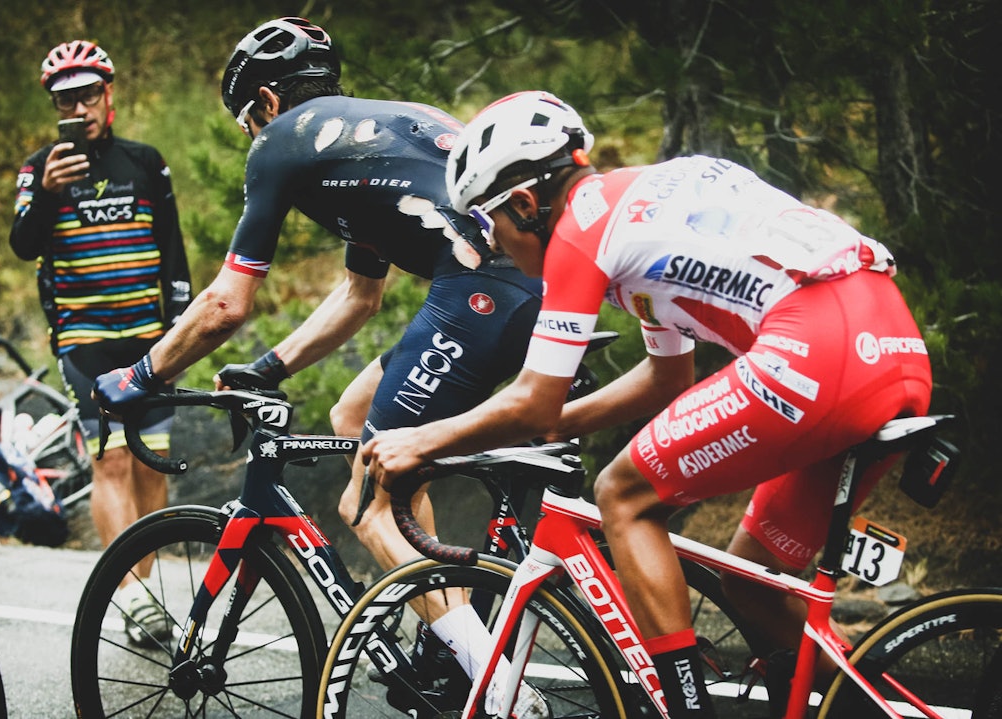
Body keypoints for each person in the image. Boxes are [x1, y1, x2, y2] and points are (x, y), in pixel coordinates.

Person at [362, 91, 933, 717]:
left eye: (488, 223)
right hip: (893, 351)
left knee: (623, 495)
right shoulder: (636, 206)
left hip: (818, 353)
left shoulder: (581, 229)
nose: (491, 245)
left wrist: (422, 440)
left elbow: (533, 399)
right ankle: (871, 709)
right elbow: (664, 379)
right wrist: (524, 435)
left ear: (524, 204)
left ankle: (684, 708)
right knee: (751, 581)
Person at [92, 18, 548, 715]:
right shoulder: (371, 137)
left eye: (248, 121)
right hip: (524, 288)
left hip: (479, 295)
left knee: (365, 503)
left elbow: (225, 303)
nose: (254, 137)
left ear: (267, 103)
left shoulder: (282, 141)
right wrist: (269, 368)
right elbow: (361, 296)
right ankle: (452, 637)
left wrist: (139, 376)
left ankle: (491, 686)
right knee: (353, 418)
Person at [10, 40, 192, 646]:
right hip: (85, 340)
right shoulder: (39, 169)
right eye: (67, 98)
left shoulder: (146, 161)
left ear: (108, 95)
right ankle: (135, 597)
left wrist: (184, 324)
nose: (80, 107)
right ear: (54, 106)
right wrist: (46, 194)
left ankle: (144, 596)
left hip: (150, 339)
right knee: (110, 459)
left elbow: (172, 247)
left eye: (88, 94)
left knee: (151, 464)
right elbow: (23, 244)